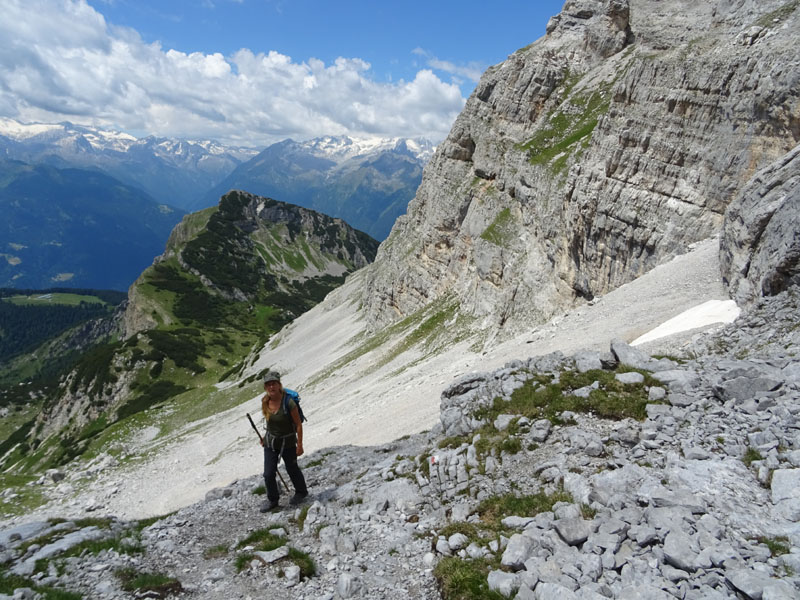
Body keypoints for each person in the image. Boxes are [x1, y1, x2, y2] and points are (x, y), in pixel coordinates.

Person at [259, 370, 309, 512]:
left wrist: (299, 445)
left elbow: (298, 424)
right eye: (268, 385)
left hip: (287, 443)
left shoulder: (289, 402)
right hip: (271, 442)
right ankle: (273, 500)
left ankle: (301, 492)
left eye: (274, 384)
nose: (271, 387)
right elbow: (270, 422)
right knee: (268, 474)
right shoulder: (265, 401)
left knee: (292, 468)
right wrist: (265, 437)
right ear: (265, 387)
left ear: (279, 385)